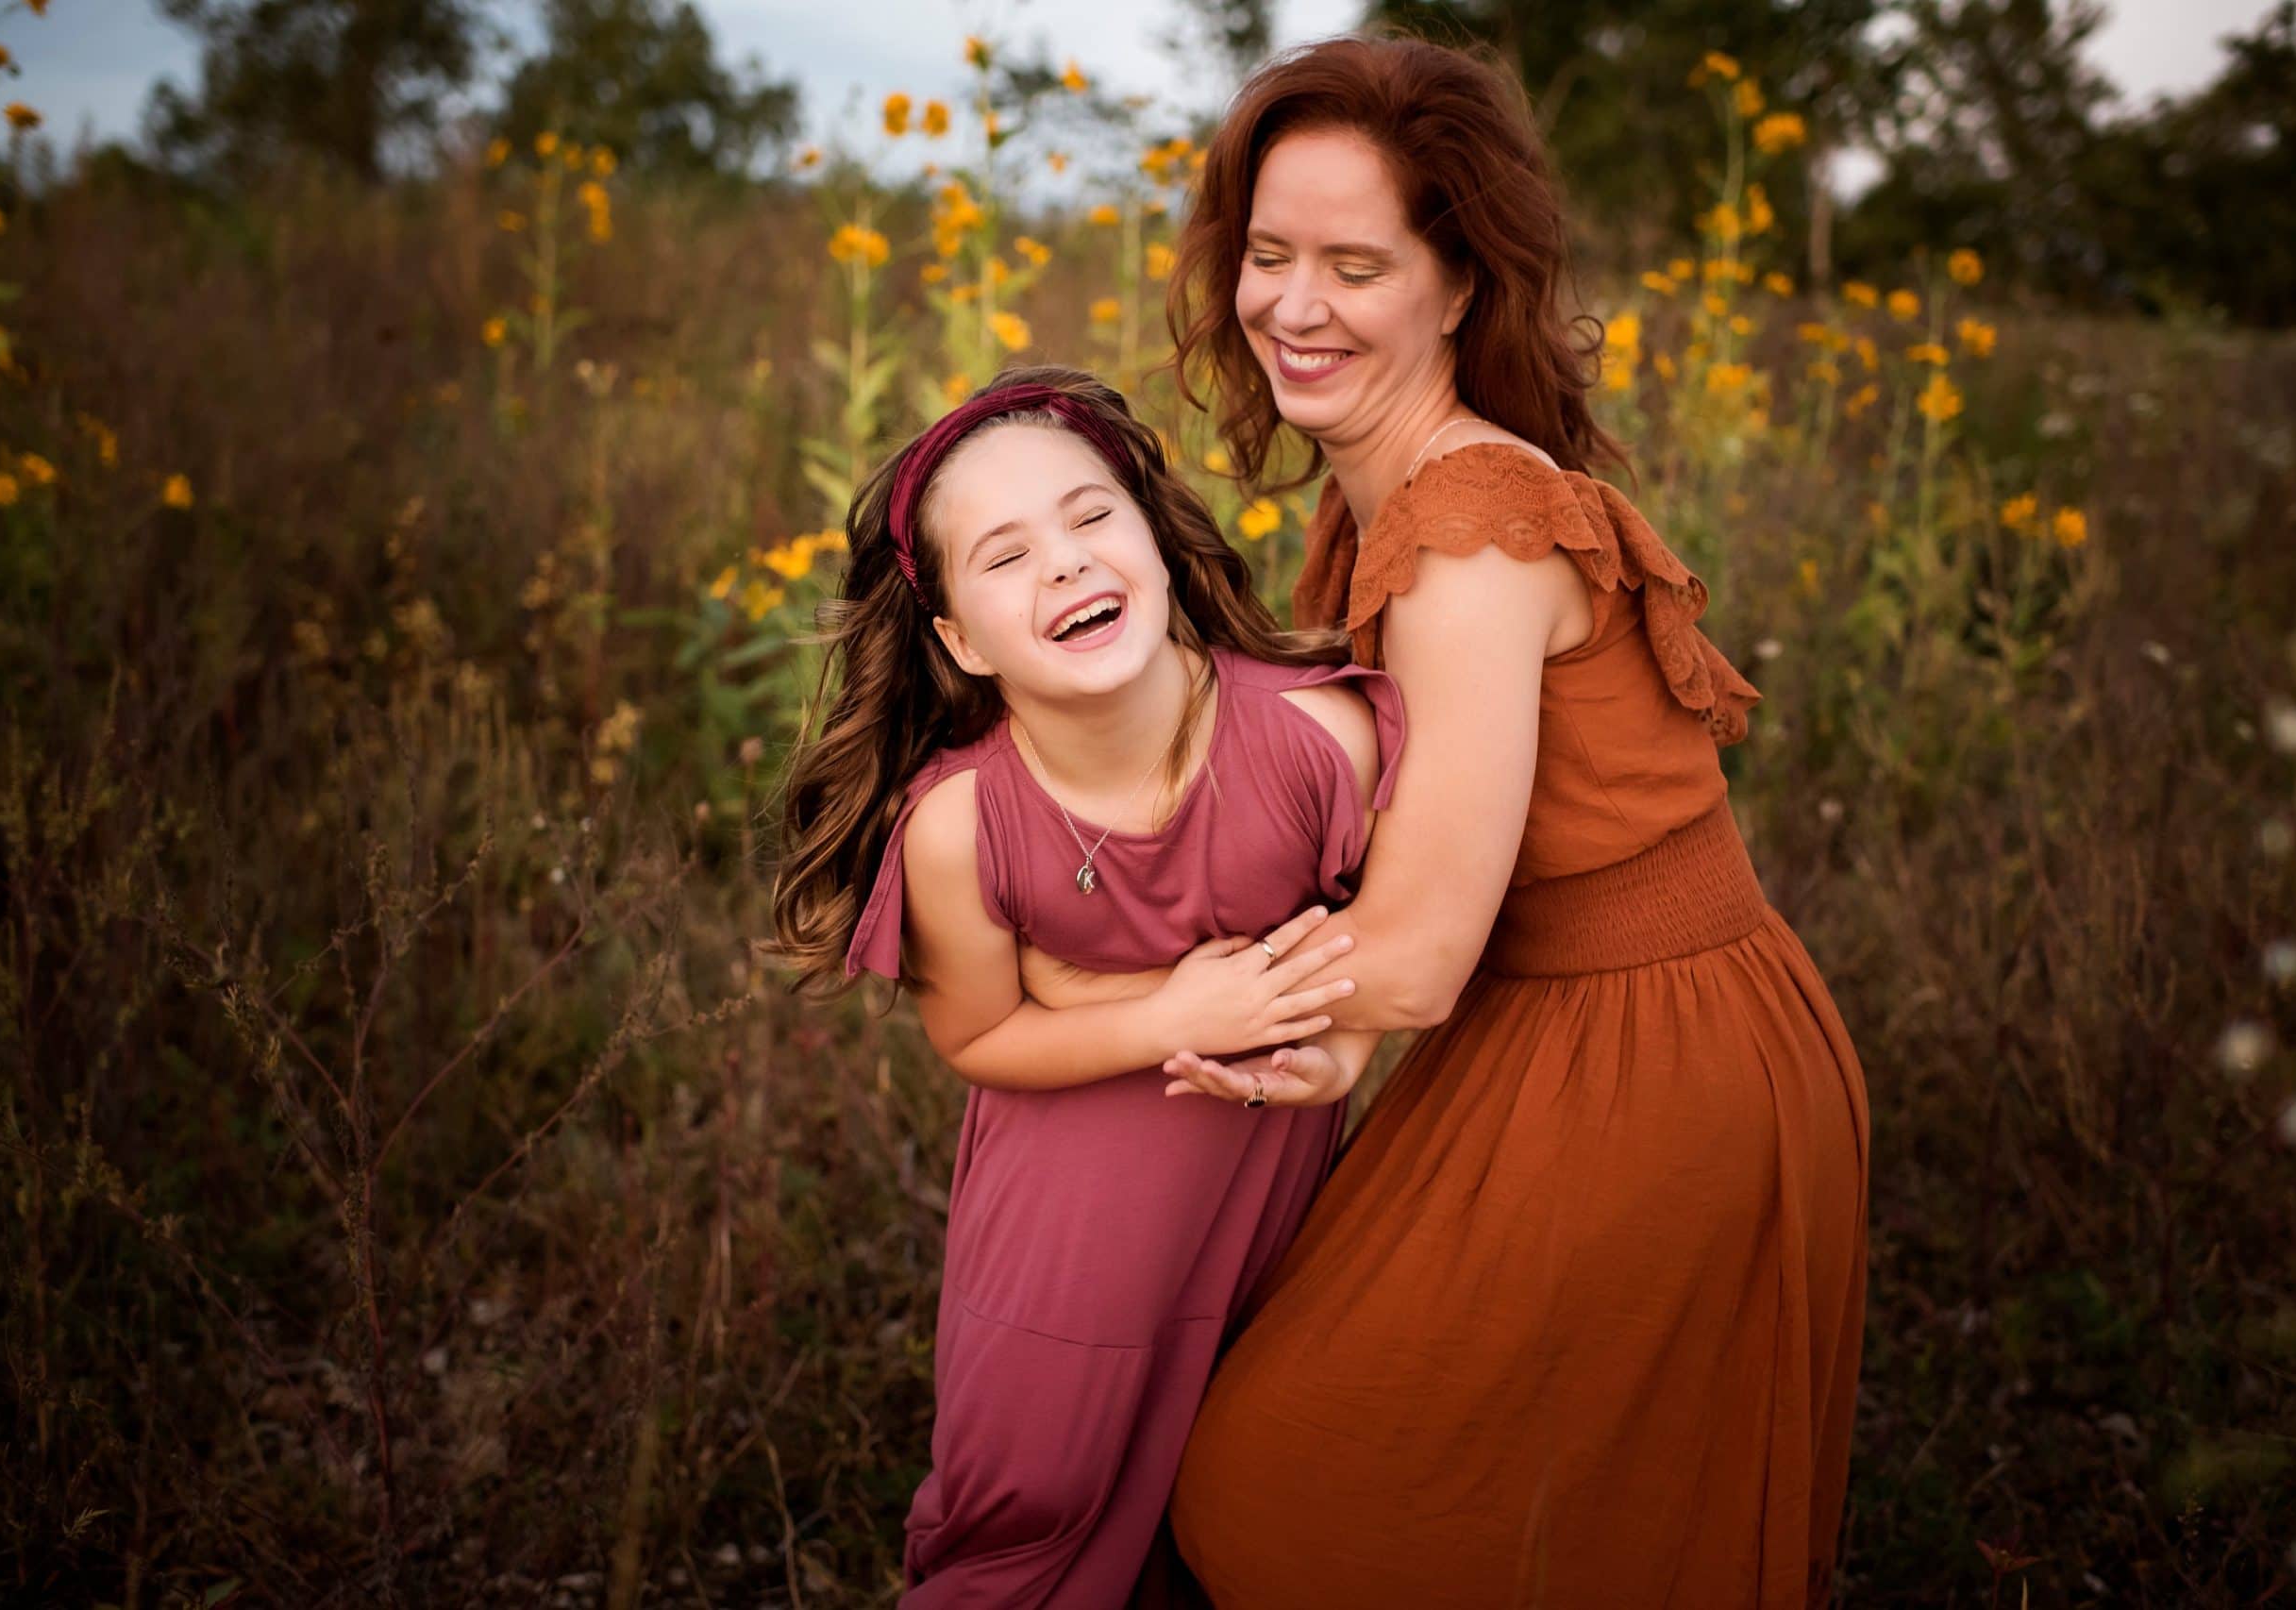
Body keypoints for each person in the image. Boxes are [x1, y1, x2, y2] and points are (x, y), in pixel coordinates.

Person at [1024, 37, 1871, 1608]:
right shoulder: (1382, 494)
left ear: (1462, 286)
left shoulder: (1473, 528)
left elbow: (1411, 956)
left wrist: (1118, 1010)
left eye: (1357, 264)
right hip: (1550, 1018)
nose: (1292, 304)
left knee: (1289, 1487)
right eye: (1268, 254)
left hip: (1654, 1059)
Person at [766, 365, 1408, 1607]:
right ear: (956, 636)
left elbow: (1401, 944)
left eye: (1090, 515)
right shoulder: (961, 824)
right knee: (1028, 1512)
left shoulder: (1316, 742)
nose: (1063, 562)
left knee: (1236, 1505)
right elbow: (983, 1034)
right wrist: (1168, 1013)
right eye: (1004, 556)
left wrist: (1347, 1040)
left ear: (1156, 543)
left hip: (1271, 1212)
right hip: (1064, 1242)